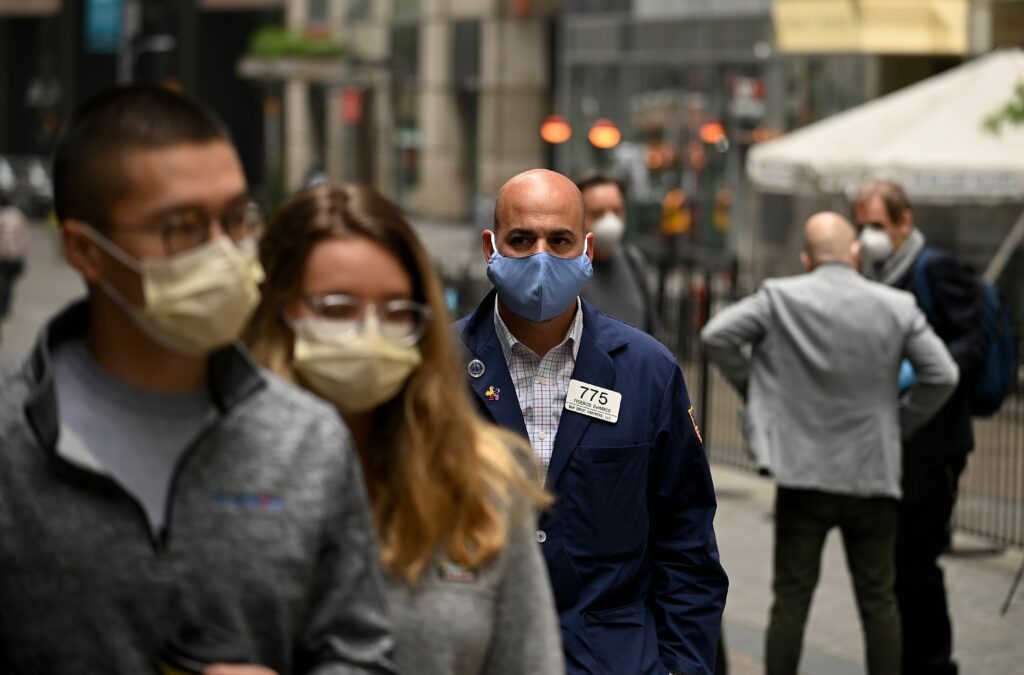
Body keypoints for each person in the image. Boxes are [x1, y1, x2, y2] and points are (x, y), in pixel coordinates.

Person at [0, 85, 394, 674]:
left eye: (237, 219)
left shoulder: (307, 440)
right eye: (181, 226)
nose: (226, 252)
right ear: (86, 250)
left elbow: (360, 654)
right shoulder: (11, 442)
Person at [244, 183, 564, 675]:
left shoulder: (479, 482)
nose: (370, 332)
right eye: (336, 308)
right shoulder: (219, 471)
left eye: (396, 312)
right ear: (277, 313)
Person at [457, 168, 728, 675]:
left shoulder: (647, 372)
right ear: (490, 246)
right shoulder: (438, 373)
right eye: (522, 239)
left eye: (559, 240)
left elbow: (687, 548)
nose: (541, 256)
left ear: (587, 248)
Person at [701, 212, 959, 675]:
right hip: (872, 471)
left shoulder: (781, 297)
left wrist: (759, 392)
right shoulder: (896, 306)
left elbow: (715, 335)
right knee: (879, 601)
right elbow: (943, 373)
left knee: (791, 598)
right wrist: (898, 423)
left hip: (803, 472)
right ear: (855, 252)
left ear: (806, 258)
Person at [853, 180, 989, 675]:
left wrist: (921, 369)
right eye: (861, 225)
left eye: (877, 226)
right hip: (895, 442)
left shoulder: (933, 268)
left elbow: (973, 339)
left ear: (904, 222)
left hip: (933, 444)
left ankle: (932, 663)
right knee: (894, 565)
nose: (867, 236)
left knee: (917, 563)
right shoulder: (874, 272)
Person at [576, 172, 659, 335]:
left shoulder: (633, 261)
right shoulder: (568, 271)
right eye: (598, 213)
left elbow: (653, 330)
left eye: (617, 211)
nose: (610, 221)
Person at [0, 191, 30, 331]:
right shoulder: (19, 216)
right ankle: (6, 306)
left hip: (3, 255)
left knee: (3, 282)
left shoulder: (2, 216)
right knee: (10, 283)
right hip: (15, 255)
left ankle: (3, 306)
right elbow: (24, 236)